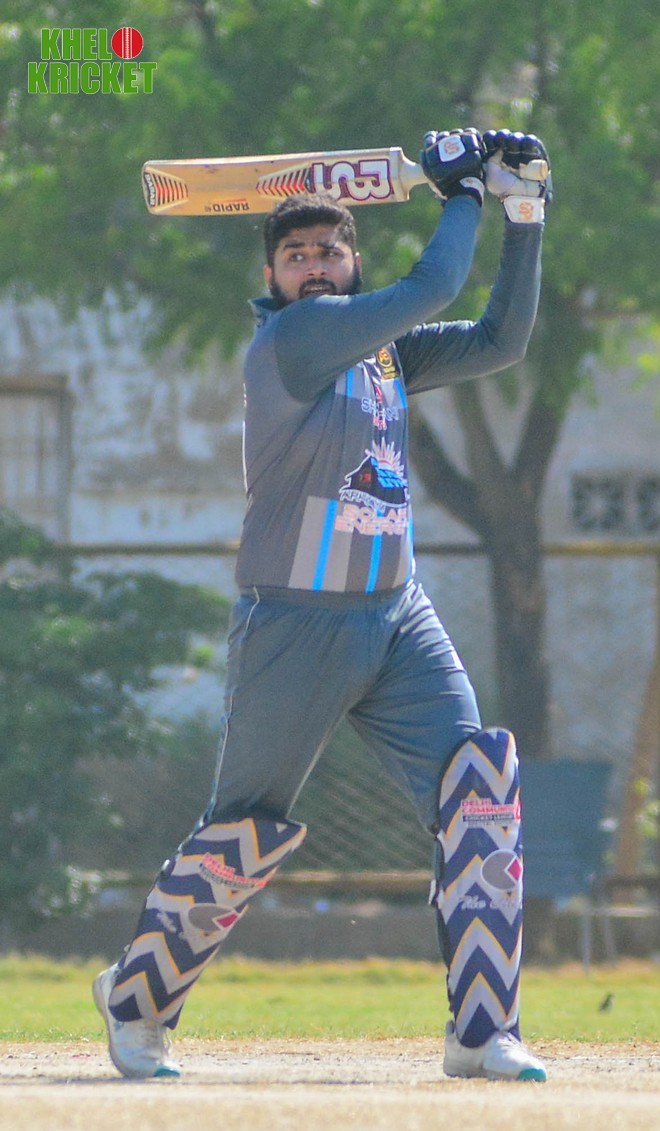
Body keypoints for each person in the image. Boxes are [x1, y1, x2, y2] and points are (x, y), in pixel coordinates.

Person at [93, 127, 552, 1082]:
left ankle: (484, 1032)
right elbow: (433, 286)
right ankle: (136, 1003)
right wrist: (460, 191)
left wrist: (522, 213)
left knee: (479, 791)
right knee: (241, 830)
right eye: (296, 253)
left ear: (352, 262)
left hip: (398, 617)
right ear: (272, 276)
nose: (314, 263)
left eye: (330, 250)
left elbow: (501, 341)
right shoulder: (291, 342)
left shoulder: (386, 357)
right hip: (294, 622)